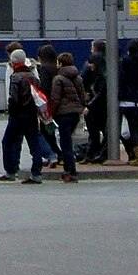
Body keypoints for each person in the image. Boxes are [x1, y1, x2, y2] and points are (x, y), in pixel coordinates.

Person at [0, 50, 47, 183]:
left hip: (18, 115)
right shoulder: (33, 76)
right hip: (31, 114)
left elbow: (14, 98)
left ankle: (10, 171)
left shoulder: (16, 77)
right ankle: (36, 173)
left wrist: (12, 112)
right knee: (34, 144)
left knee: (8, 142)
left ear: (14, 62)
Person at [50, 51, 86, 183]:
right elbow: (82, 96)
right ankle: (71, 170)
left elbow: (55, 98)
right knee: (68, 141)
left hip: (63, 113)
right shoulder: (78, 77)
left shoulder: (58, 79)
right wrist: (81, 107)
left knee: (65, 144)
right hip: (75, 113)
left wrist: (51, 113)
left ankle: (70, 171)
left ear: (60, 63)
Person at [81, 41, 108, 162]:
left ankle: (93, 153)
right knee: (102, 129)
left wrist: (89, 105)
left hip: (96, 104)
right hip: (99, 104)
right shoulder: (106, 68)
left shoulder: (98, 75)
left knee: (95, 130)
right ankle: (95, 153)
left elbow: (101, 93)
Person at [34, 43, 60, 163]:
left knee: (46, 131)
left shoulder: (44, 69)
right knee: (53, 131)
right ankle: (58, 153)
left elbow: (44, 87)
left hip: (47, 104)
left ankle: (54, 153)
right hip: (58, 103)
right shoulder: (56, 68)